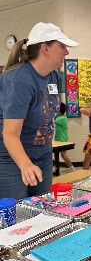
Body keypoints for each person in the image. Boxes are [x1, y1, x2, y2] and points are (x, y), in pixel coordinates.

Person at [0, 22, 78, 199]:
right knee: (16, 215)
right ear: (45, 48)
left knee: (41, 209)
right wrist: (26, 165)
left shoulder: (54, 76)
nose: (67, 52)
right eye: (62, 46)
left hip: (42, 155)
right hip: (12, 159)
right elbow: (10, 133)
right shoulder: (19, 79)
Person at [54, 102, 76, 172]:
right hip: (59, 139)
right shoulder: (62, 117)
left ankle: (72, 169)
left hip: (62, 139)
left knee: (63, 155)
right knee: (56, 154)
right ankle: (57, 168)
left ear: (60, 112)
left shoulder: (61, 118)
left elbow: (51, 120)